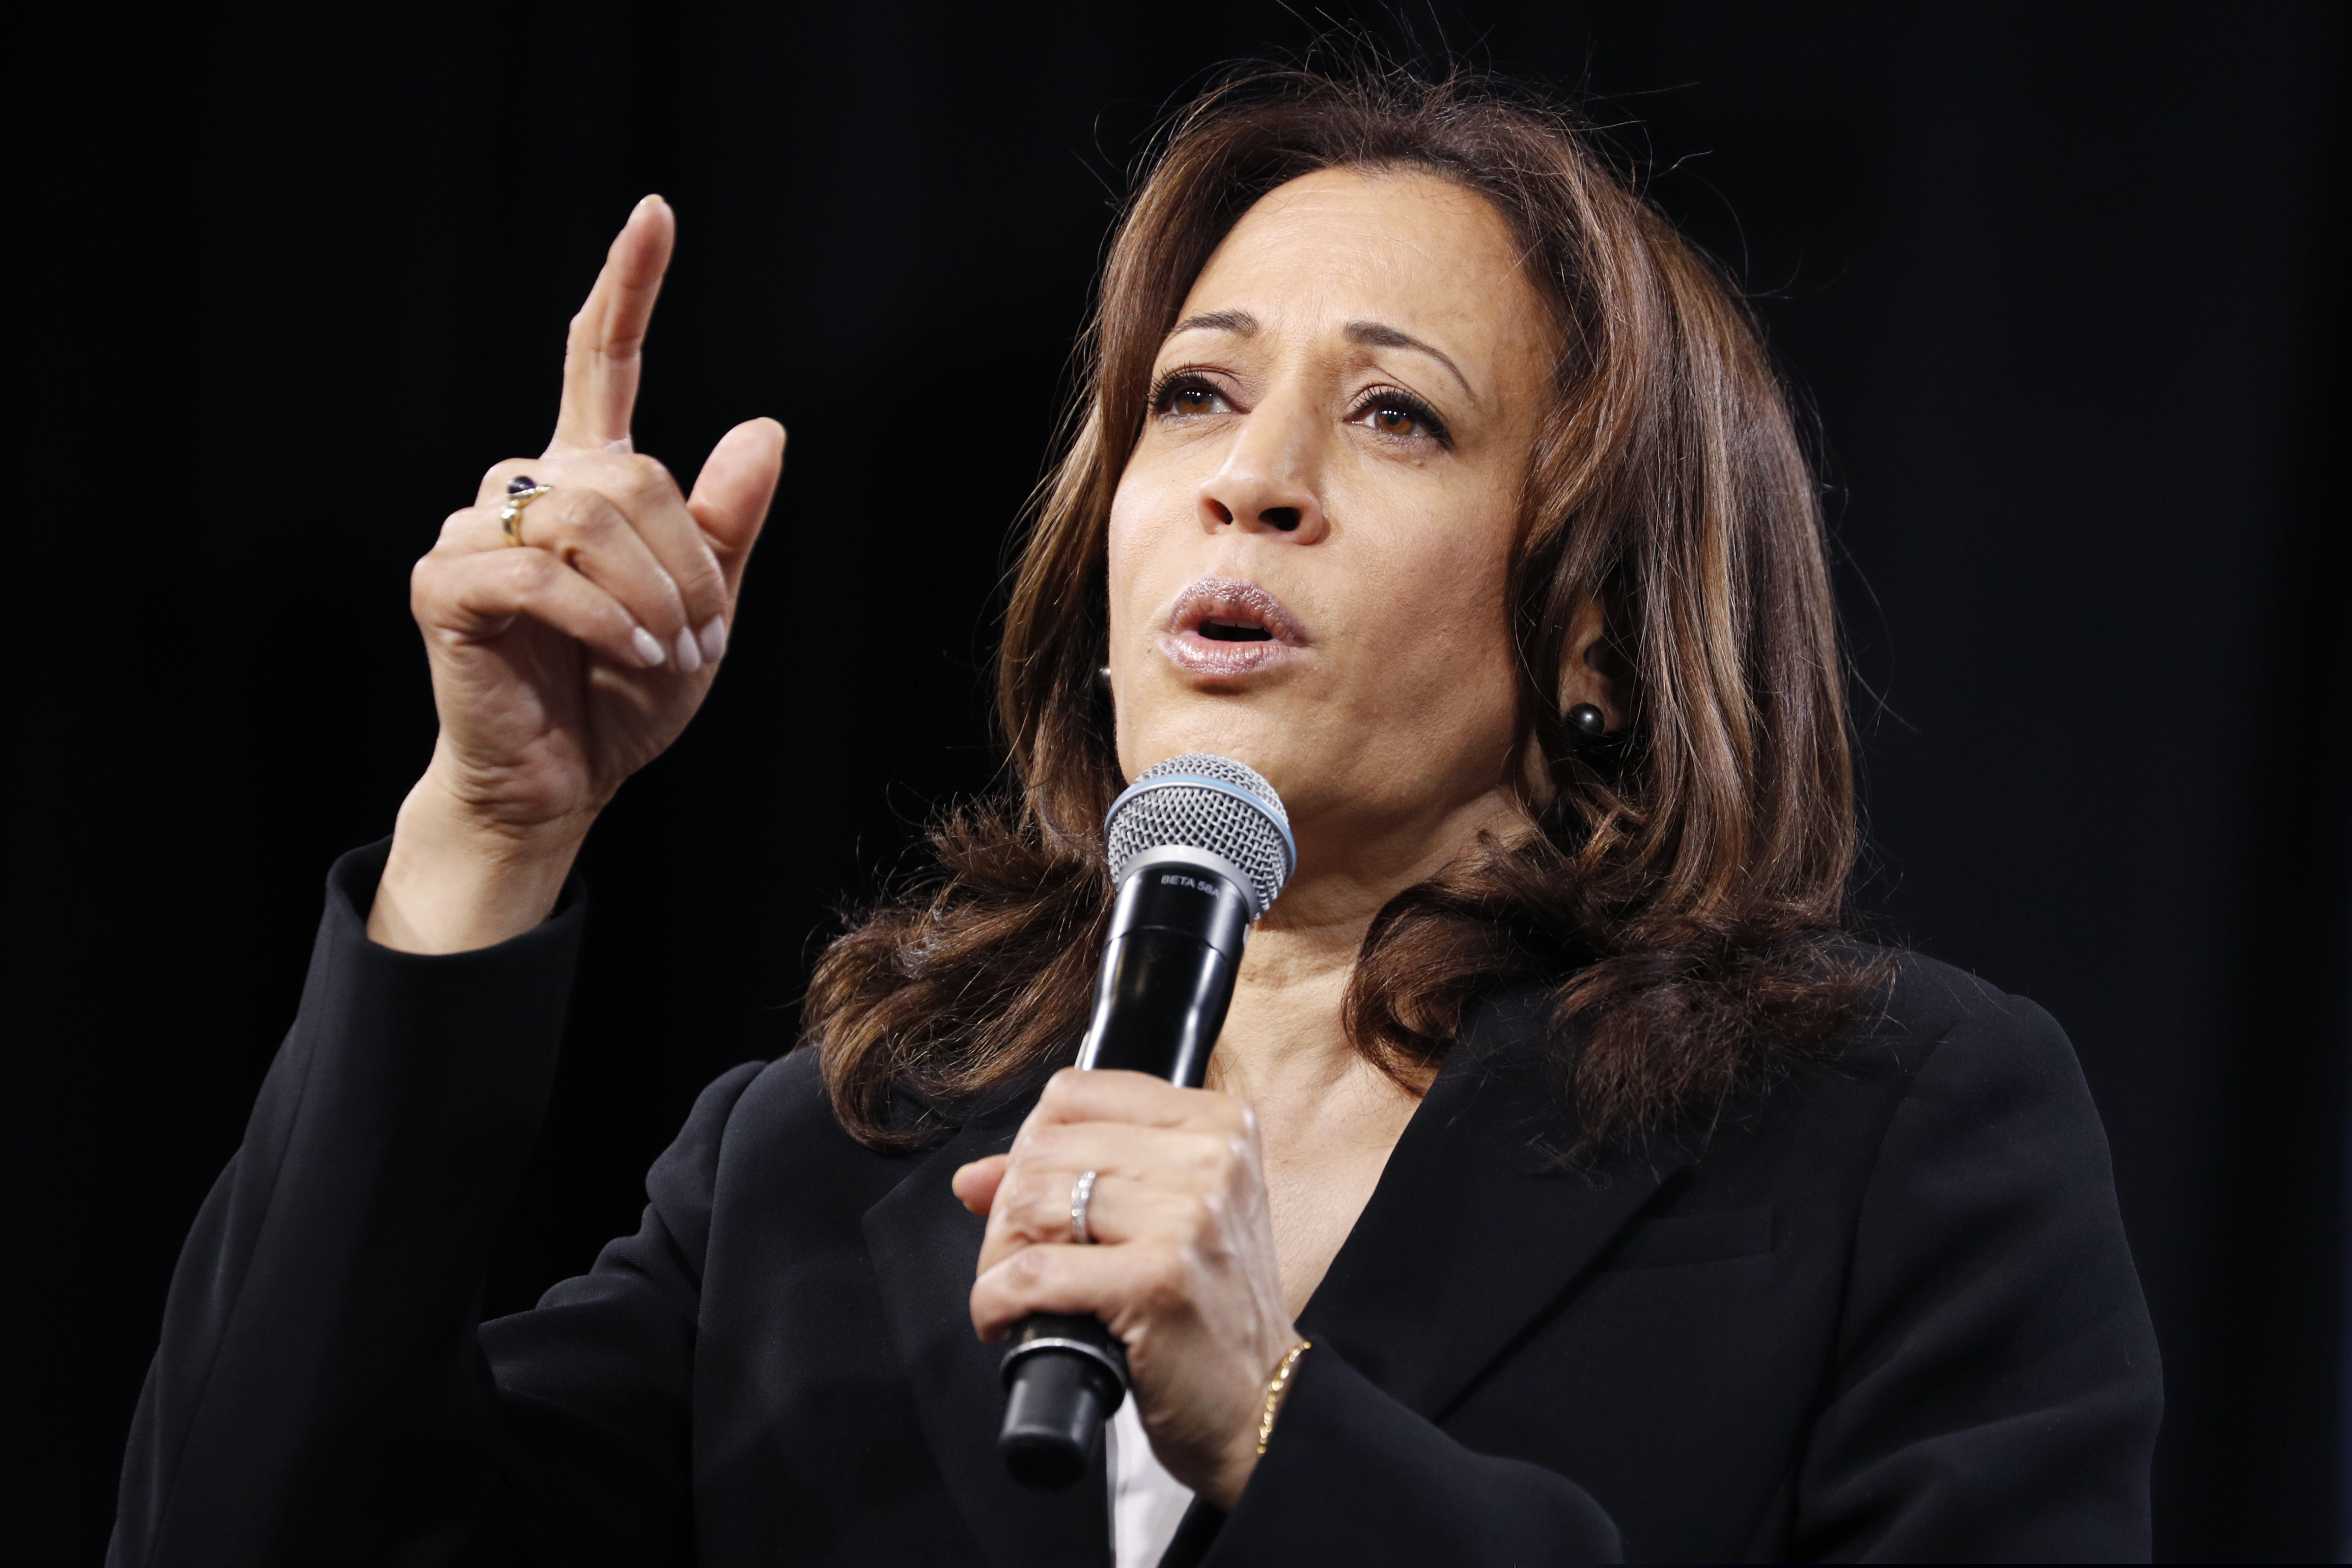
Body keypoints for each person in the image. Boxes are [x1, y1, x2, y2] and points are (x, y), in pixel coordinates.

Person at [110, 70, 2160, 1567]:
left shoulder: (1894, 1139)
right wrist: (489, 823)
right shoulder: (832, 1162)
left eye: (1394, 412)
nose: (1246, 480)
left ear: (1601, 625)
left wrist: (1281, 1424)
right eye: (1191, 395)